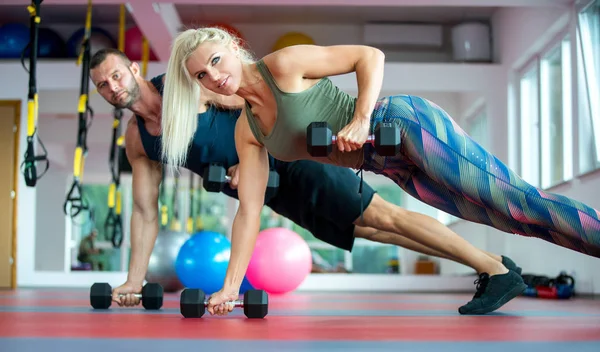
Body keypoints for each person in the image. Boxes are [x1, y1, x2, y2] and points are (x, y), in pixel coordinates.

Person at [161, 27, 600, 316]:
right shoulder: (248, 132)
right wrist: (229, 288)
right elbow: (248, 213)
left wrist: (361, 118)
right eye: (202, 75)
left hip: (403, 125)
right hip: (389, 166)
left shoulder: (283, 64)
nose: (214, 76)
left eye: (216, 61)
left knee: (515, 202)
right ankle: (502, 275)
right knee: (504, 218)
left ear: (234, 49)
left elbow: (369, 55)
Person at [89, 48, 522, 311]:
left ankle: (494, 268)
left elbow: (251, 100)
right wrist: (133, 279)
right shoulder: (138, 140)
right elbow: (145, 212)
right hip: (270, 191)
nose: (112, 87)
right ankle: (491, 267)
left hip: (288, 160)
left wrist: (247, 156)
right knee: (372, 230)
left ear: (133, 68)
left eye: (116, 75)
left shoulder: (187, 88)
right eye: (102, 86)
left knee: (385, 217)